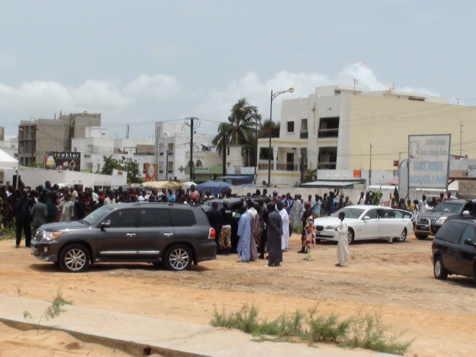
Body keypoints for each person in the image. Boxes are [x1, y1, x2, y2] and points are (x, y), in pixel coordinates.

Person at [266, 202, 282, 267]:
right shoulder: (278, 214)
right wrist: (280, 232)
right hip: (277, 234)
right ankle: (277, 261)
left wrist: (278, 231)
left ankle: (270, 262)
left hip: (271, 233)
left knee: (271, 248)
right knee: (277, 247)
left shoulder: (270, 215)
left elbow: (272, 225)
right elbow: (280, 224)